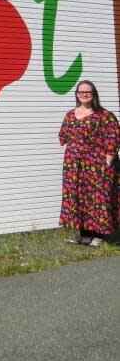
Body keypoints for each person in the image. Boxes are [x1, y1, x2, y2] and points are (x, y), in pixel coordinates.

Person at [58, 80, 120, 246]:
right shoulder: (70, 115)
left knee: (98, 199)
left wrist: (108, 161)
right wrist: (69, 151)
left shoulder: (105, 115)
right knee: (78, 197)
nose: (84, 94)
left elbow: (112, 138)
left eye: (88, 92)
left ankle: (99, 235)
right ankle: (84, 235)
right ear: (77, 94)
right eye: (81, 92)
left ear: (94, 94)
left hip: (97, 166)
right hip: (74, 167)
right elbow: (63, 135)